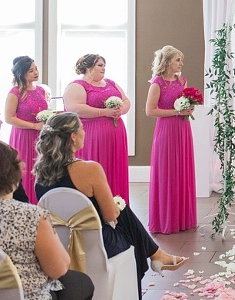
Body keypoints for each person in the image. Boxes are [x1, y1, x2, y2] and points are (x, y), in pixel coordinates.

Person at [33, 112, 186, 299]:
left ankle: (156, 254)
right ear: (72, 137)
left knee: (122, 210)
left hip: (59, 245)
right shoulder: (90, 169)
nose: (84, 132)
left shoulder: (39, 176)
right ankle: (153, 256)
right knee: (123, 214)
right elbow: (110, 216)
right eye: (82, 128)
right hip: (97, 244)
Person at [0, 140, 94, 300]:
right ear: (13, 176)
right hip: (27, 295)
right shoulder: (30, 215)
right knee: (82, 283)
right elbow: (59, 269)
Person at [62, 54, 130, 203]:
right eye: (100, 65)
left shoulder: (111, 83)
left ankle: (119, 206)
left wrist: (121, 110)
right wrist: (103, 112)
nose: (103, 68)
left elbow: (126, 100)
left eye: (104, 65)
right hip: (93, 134)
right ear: (88, 67)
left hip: (116, 134)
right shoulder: (77, 85)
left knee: (115, 170)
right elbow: (74, 108)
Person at [144, 45, 196, 234]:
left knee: (182, 169)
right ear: (167, 62)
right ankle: (166, 220)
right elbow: (150, 111)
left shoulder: (182, 80)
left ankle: (182, 218)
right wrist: (176, 112)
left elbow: (185, 102)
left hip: (183, 128)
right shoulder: (157, 83)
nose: (181, 64)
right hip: (166, 130)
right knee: (167, 171)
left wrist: (189, 109)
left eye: (181, 60)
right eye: (177, 60)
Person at [4, 55, 48, 203]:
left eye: (36, 69)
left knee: (40, 169)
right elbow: (9, 118)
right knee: (26, 169)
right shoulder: (15, 92)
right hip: (23, 136)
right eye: (31, 70)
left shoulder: (41, 90)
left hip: (41, 135)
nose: (36, 73)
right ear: (22, 73)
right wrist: (33, 125)